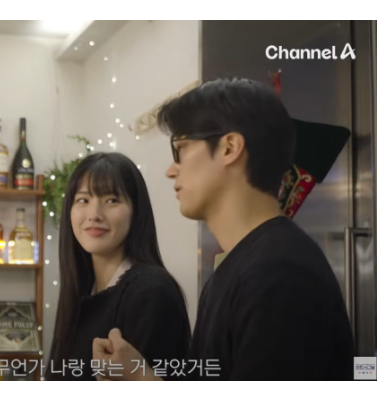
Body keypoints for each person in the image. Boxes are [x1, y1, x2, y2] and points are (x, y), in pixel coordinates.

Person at [92, 78, 354, 380]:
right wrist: (139, 376)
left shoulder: (280, 273)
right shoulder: (238, 267)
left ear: (229, 148)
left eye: (181, 149)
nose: (171, 170)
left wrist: (140, 381)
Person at [45, 152, 191, 381]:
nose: (94, 215)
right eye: (83, 200)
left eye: (112, 200)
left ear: (136, 212)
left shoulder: (151, 291)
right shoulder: (81, 291)